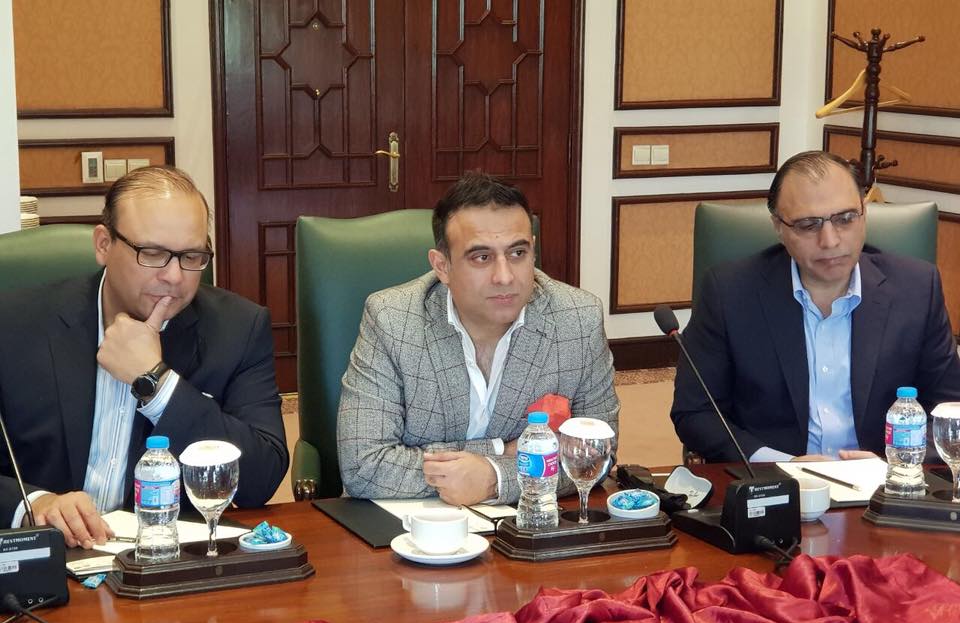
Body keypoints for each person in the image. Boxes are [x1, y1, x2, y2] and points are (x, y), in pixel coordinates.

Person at [0, 166, 288, 546]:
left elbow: (261, 476)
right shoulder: (14, 322)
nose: (174, 276)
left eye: (191, 256)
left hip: (168, 561)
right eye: (152, 254)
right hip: (46, 555)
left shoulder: (238, 329)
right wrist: (33, 503)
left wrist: (158, 383)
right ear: (104, 244)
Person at [337, 172, 619, 505]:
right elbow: (363, 465)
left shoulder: (578, 319)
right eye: (482, 257)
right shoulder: (392, 320)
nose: (505, 276)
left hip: (528, 522)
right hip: (407, 524)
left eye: (518, 253)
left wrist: (494, 477)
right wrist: (500, 451)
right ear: (442, 266)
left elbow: (594, 457)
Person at [672, 150, 960, 463]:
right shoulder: (729, 292)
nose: (830, 241)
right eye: (809, 224)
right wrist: (780, 463)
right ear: (779, 227)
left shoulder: (916, 288)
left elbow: (951, 409)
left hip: (886, 479)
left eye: (845, 219)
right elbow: (695, 412)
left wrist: (895, 462)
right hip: (778, 480)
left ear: (864, 213)